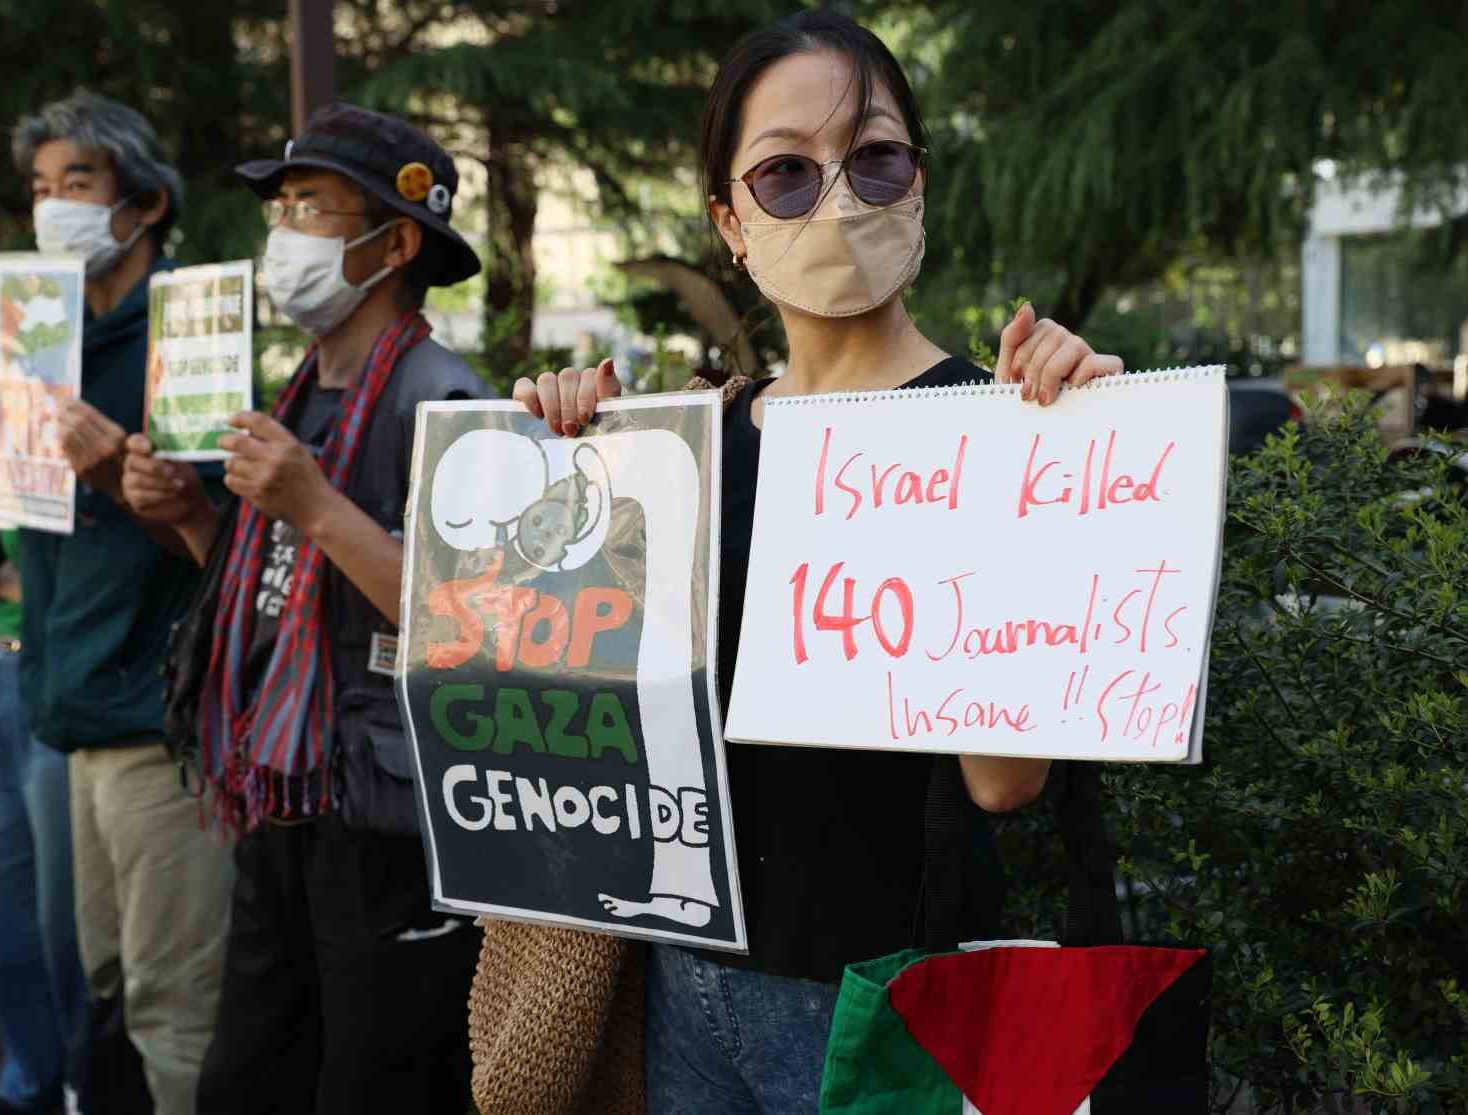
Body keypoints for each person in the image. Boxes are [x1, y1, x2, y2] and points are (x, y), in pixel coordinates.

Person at [515, 12, 1126, 1113]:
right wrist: (566, 461)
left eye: (873, 157)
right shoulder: (691, 440)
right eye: (786, 173)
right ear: (730, 222)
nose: (837, 196)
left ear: (919, 182)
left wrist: (1043, 455)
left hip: (887, 1002)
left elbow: (1006, 781)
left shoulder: (995, 425)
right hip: (684, 988)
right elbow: (585, 689)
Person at [121, 103, 491, 1115]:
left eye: (311, 207)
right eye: (278, 209)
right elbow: (279, 592)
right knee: (248, 1076)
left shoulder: (448, 401)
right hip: (281, 795)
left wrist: (315, 502)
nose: (282, 234)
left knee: (374, 1084)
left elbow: (476, 626)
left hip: (390, 820)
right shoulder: (298, 393)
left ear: (396, 245)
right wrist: (190, 514)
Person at [10, 89, 234, 1115]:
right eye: (40, 188)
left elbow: (216, 542)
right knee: (106, 989)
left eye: (78, 183)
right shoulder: (43, 337)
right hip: (76, 713)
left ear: (143, 204)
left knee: (175, 1010)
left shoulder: (189, 332)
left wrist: (117, 478)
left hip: (159, 724)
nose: (52, 207)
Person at [0, 505, 85, 1115]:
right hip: (3, 664)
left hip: (66, 677)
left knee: (66, 917)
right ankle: (31, 1076)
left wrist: (14, 584)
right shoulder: (3, 453)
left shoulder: (107, 456)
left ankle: (81, 1081)